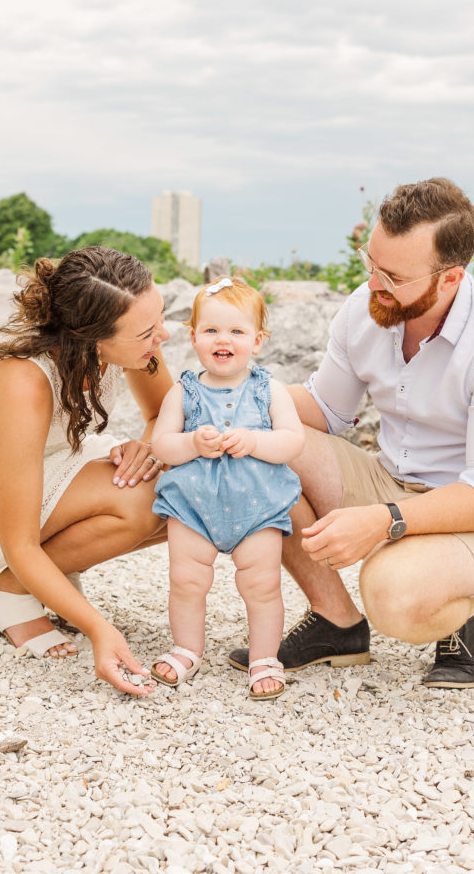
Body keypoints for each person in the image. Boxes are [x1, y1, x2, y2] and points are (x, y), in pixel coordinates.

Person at [229, 178, 474, 688]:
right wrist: (224, 402)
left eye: (392, 275)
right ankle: (337, 622)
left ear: (450, 279)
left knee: (394, 597)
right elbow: (325, 410)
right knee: (255, 448)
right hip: (392, 480)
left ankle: (466, 611)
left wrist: (382, 522)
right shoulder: (367, 305)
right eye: (369, 262)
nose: (374, 283)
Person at [0, 246, 174, 697]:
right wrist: (99, 630)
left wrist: (147, 445)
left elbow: (165, 414)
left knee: (186, 487)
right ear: (92, 340)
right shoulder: (24, 380)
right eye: (147, 332)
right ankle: (10, 593)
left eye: (160, 319)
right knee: (147, 499)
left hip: (59, 454)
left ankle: (39, 583)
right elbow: (18, 541)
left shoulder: (136, 344)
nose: (163, 336)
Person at [149, 277, 304, 698]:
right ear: (194, 336)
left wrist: (254, 441)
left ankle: (264, 658)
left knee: (262, 584)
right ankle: (186, 648)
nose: (224, 339)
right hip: (193, 509)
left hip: (257, 510)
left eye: (236, 331)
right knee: (186, 580)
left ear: (257, 340)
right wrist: (192, 442)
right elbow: (161, 444)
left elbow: (293, 439)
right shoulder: (183, 391)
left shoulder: (268, 389)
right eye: (212, 330)